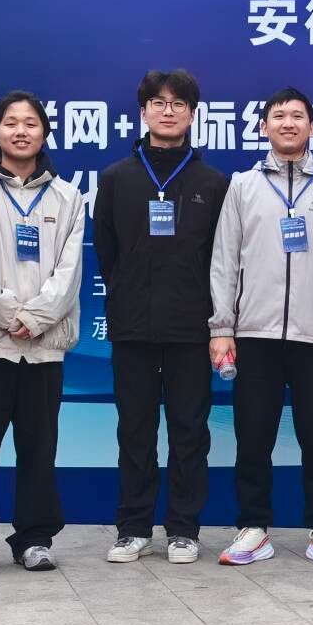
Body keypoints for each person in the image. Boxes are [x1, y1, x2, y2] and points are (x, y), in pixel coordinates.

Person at [209, 88, 313, 567]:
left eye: (297, 116)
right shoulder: (243, 185)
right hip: (254, 333)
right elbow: (225, 260)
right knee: (253, 436)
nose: (288, 123)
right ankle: (254, 527)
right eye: (279, 116)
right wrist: (222, 327)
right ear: (264, 126)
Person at [0, 91, 85, 575]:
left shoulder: (68, 197)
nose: (21, 131)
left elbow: (70, 270)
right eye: (10, 122)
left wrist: (38, 318)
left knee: (39, 448)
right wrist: (9, 315)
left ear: (45, 133)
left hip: (43, 347)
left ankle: (34, 538)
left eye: (30, 123)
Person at [95, 70, 229, 565]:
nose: (167, 111)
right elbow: (106, 252)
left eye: (178, 104)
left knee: (189, 430)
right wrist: (127, 294)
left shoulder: (213, 183)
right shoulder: (116, 179)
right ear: (143, 111)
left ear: (192, 114)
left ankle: (183, 529)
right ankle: (132, 528)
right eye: (158, 102)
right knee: (135, 429)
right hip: (132, 326)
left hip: (192, 328)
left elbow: (221, 257)